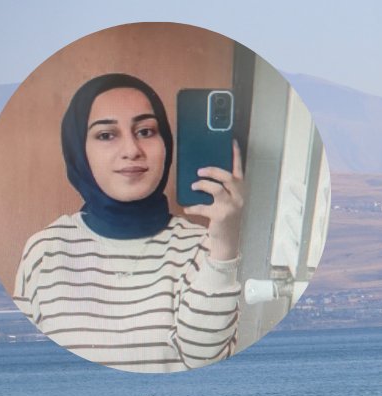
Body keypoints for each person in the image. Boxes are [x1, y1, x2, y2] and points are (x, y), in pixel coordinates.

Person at [12, 74, 244, 373]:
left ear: (166, 145)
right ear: (79, 152)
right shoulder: (45, 250)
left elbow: (205, 362)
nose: (132, 149)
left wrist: (224, 243)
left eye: (146, 131)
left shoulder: (204, 246)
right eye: (106, 135)